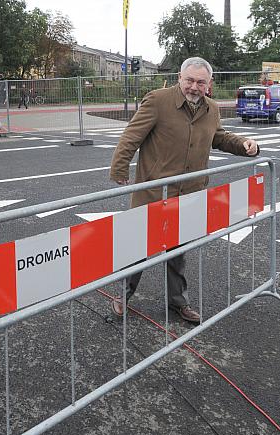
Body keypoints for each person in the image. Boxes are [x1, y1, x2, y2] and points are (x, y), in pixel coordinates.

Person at [109, 57, 259, 323]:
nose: (194, 87)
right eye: (189, 80)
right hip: (153, 193)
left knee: (178, 253)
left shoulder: (211, 109)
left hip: (189, 195)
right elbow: (131, 136)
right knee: (137, 249)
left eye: (200, 82)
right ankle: (122, 294)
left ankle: (178, 303)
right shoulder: (158, 100)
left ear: (209, 85)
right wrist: (120, 170)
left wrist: (245, 145)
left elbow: (219, 137)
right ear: (180, 78)